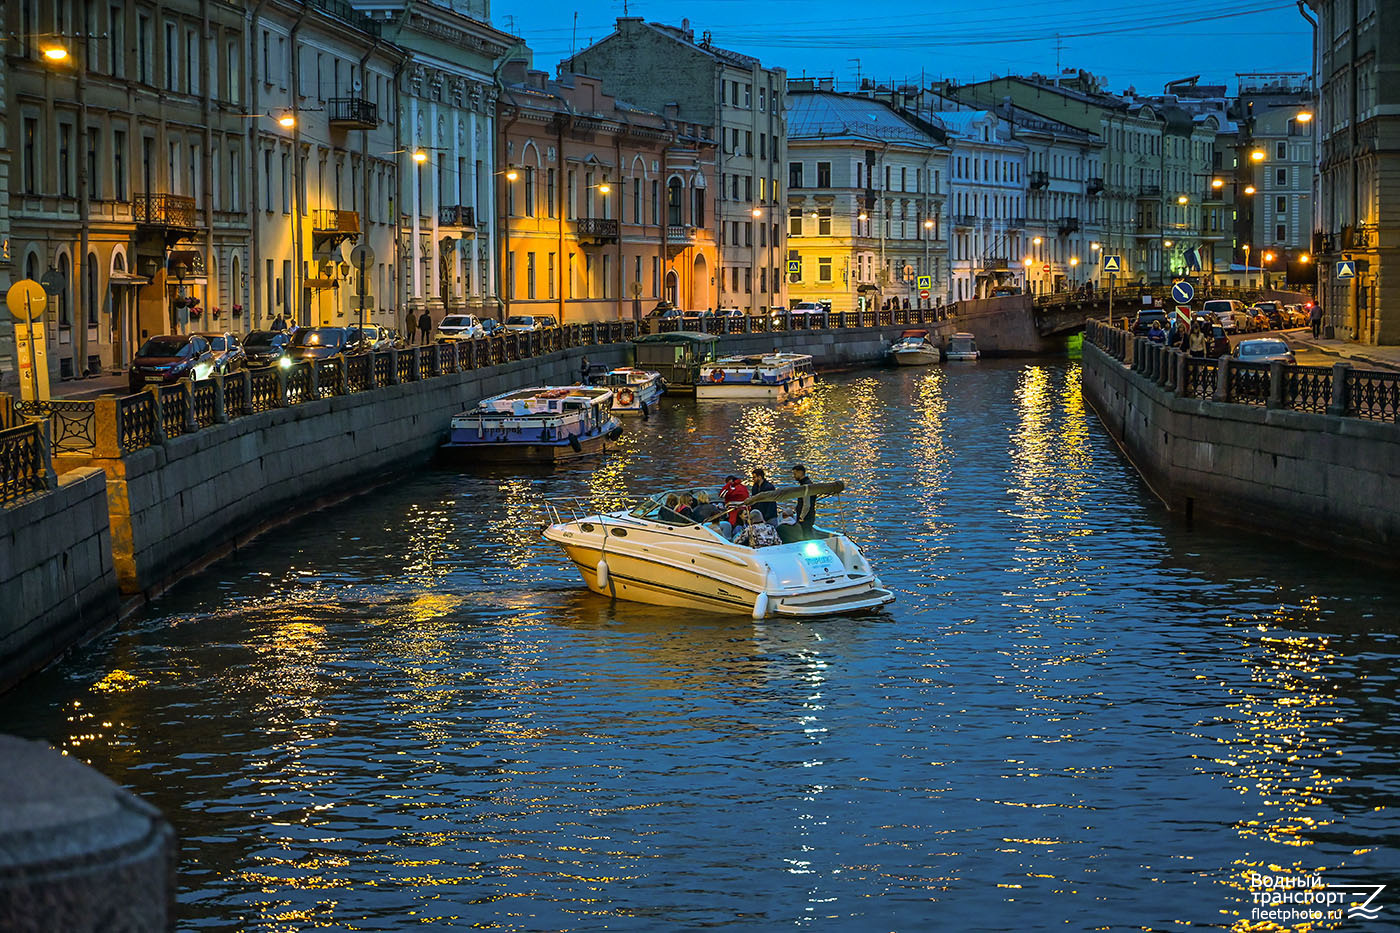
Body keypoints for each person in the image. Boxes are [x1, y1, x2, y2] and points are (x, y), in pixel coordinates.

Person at [790, 464, 816, 539]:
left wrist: (801, 517)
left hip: (806, 518)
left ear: (800, 472)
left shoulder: (805, 486)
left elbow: (806, 504)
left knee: (806, 535)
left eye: (795, 474)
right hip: (810, 516)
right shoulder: (808, 483)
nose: (794, 476)